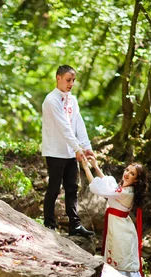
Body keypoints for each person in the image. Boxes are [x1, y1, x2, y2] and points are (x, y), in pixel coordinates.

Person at [42, 65, 95, 237]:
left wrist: (86, 147)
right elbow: (64, 127)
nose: (71, 83)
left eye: (73, 80)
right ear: (58, 78)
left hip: (70, 152)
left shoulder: (72, 100)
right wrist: (77, 147)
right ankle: (49, 224)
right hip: (55, 151)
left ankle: (75, 225)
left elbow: (78, 123)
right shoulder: (51, 100)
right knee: (54, 188)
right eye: (68, 80)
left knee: (72, 188)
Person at [80, 156, 147, 277]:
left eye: (132, 174)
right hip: (119, 225)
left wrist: (86, 168)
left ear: (136, 180)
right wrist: (95, 166)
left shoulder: (125, 192)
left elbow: (101, 190)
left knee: (120, 259)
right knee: (118, 257)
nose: (127, 174)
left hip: (120, 228)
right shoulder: (124, 189)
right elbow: (108, 185)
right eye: (127, 170)